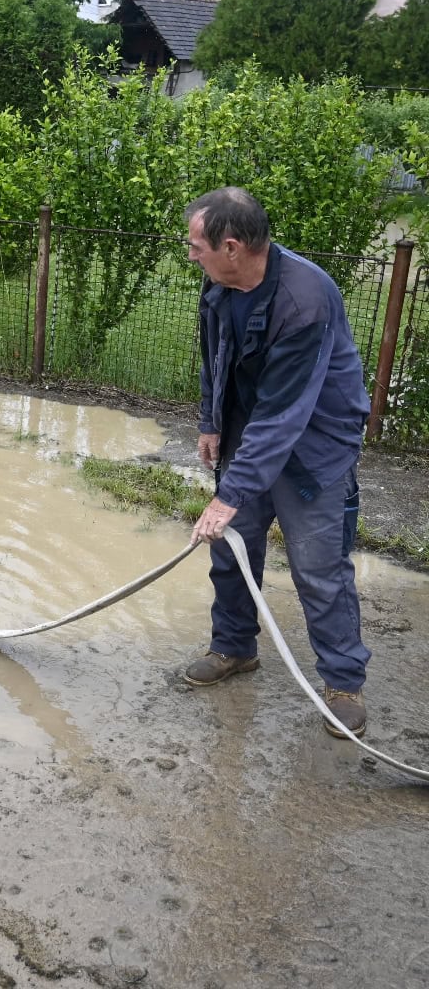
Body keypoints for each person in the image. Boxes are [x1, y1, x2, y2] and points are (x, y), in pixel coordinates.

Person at [182, 186, 371, 738]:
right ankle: (234, 648)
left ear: (233, 245)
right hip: (250, 433)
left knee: (318, 569)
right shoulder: (219, 285)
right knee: (232, 552)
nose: (192, 254)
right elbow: (213, 354)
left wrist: (227, 494)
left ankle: (343, 683)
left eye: (197, 246)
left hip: (313, 449)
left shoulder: (305, 298)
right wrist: (211, 419)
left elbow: (286, 412)